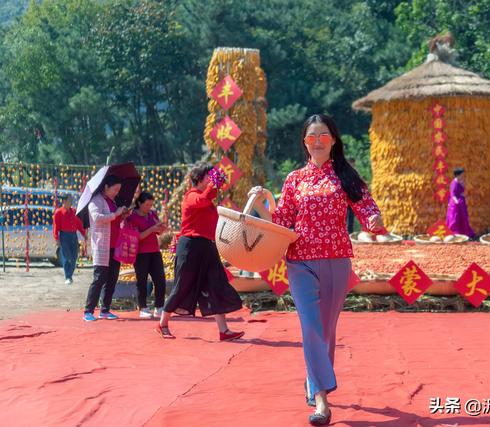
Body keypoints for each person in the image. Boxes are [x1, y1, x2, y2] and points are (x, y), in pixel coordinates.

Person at [249, 114, 386, 426]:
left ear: (334, 140)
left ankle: (314, 382)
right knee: (310, 328)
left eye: (324, 135)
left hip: (337, 260)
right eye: (312, 136)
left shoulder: (346, 176)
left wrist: (374, 221)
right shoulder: (295, 180)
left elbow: (366, 207)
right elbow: (281, 220)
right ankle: (321, 400)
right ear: (305, 142)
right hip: (300, 261)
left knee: (325, 330)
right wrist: (259, 203)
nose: (318, 141)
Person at [156, 163, 244, 341]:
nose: (210, 179)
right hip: (191, 247)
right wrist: (214, 185)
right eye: (208, 177)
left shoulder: (207, 200)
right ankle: (162, 323)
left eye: (212, 177)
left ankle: (224, 331)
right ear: (199, 179)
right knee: (182, 285)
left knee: (216, 284)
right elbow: (203, 200)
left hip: (207, 247)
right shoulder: (191, 196)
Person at [83, 175, 129, 322]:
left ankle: (105, 309)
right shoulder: (96, 200)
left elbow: (114, 219)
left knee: (112, 278)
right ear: (106, 187)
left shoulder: (112, 201)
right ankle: (88, 311)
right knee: (99, 277)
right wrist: (116, 214)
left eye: (119, 190)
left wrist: (122, 215)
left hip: (114, 243)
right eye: (115, 189)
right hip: (102, 244)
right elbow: (97, 217)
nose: (116, 192)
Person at [127, 192, 168, 319]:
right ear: (139, 203)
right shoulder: (132, 217)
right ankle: (143, 307)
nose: (149, 207)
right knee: (142, 281)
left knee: (160, 279)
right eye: (146, 204)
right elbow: (137, 236)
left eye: (151, 204)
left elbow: (159, 232)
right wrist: (152, 229)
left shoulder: (152, 214)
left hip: (154, 250)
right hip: (140, 253)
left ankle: (159, 306)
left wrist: (161, 228)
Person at [53, 194, 85, 284]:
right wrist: (56, 238)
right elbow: (56, 226)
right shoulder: (58, 212)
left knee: (74, 257)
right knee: (67, 257)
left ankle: (70, 275)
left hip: (73, 236)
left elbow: (78, 224)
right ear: (64, 201)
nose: (71, 202)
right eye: (70, 200)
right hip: (64, 236)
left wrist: (84, 233)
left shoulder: (74, 211)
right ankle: (68, 276)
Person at [446, 168, 474, 238]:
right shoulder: (454, 183)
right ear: (457, 175)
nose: (463, 175)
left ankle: (464, 233)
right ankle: (454, 233)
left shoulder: (459, 181)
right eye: (462, 174)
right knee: (455, 218)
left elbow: (461, 191)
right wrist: (456, 202)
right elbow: (453, 194)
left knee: (463, 217)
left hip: (461, 202)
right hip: (456, 204)